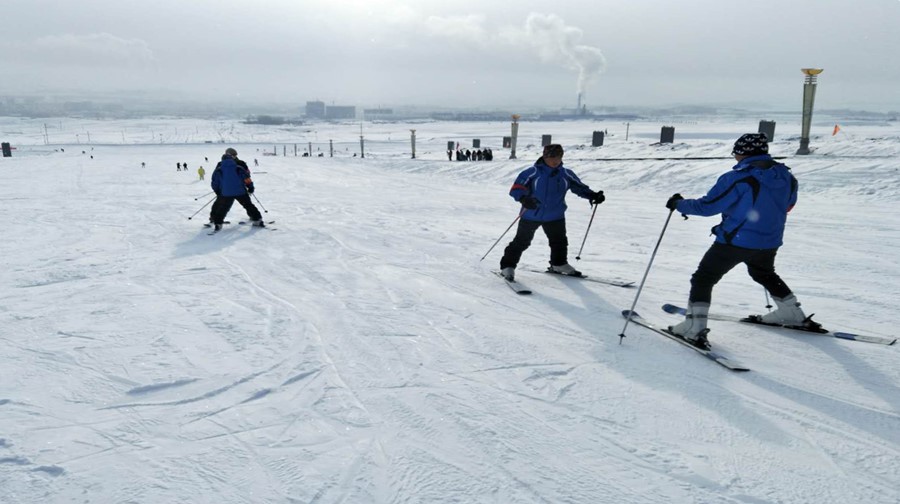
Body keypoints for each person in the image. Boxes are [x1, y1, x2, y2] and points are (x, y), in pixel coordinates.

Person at [665, 133, 815, 350]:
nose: (735, 157)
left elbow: (708, 207)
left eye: (736, 152)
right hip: (769, 240)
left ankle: (694, 328)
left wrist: (679, 204)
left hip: (735, 241)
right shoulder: (786, 177)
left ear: (743, 153)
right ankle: (791, 312)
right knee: (762, 272)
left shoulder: (737, 177)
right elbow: (788, 205)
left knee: (703, 278)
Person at [499, 144, 605, 281]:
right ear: (544, 157)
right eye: (551, 158)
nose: (555, 161)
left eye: (558, 158)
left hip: (555, 214)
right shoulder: (532, 172)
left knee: (559, 241)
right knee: (522, 241)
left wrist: (593, 195)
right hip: (531, 214)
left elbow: (579, 187)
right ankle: (507, 267)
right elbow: (516, 189)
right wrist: (524, 199)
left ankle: (559, 264)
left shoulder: (566, 174)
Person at [209, 148, 264, 231]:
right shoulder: (239, 165)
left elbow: (215, 180)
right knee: (248, 204)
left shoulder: (220, 166)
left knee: (222, 207)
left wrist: (217, 190)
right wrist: (250, 187)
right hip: (240, 190)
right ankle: (257, 219)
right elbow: (246, 176)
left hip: (225, 192)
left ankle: (217, 222)